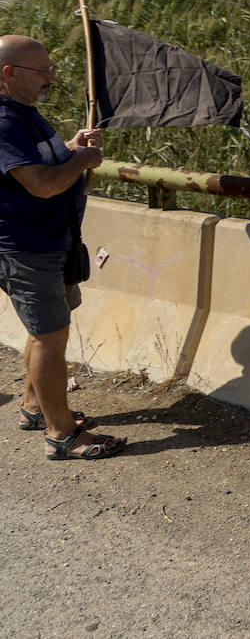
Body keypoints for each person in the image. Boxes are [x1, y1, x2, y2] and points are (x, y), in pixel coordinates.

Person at [0, 35, 126, 460]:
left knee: (47, 333)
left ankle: (35, 406)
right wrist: (80, 163)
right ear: (9, 73)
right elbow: (42, 184)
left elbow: (40, 164)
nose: (51, 77)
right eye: (43, 71)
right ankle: (61, 434)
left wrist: (69, 148)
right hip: (26, 249)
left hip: (50, 245)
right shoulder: (4, 123)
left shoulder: (24, 116)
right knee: (50, 338)